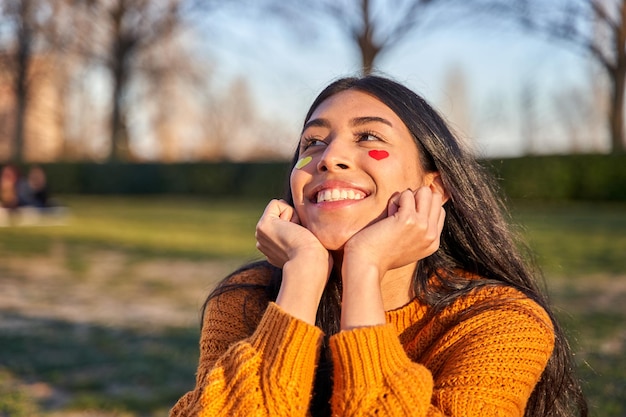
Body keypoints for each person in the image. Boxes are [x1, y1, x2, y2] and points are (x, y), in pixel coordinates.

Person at [170, 75, 587, 417]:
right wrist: (301, 275)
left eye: (368, 136)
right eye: (312, 142)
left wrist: (364, 269)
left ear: (434, 187)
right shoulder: (248, 298)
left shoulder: (501, 321)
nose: (329, 157)